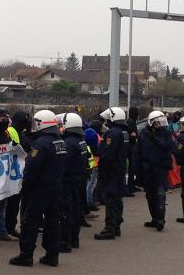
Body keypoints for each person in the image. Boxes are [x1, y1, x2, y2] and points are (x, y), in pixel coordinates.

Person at [9, 110, 67, 267]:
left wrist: (26, 185)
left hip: (39, 188)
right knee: (53, 221)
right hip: (56, 186)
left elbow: (32, 167)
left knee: (30, 221)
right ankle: (52, 255)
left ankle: (26, 255)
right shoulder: (60, 141)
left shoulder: (41, 143)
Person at [135, 111, 176, 231]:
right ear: (151, 123)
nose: (160, 124)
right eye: (157, 122)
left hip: (161, 167)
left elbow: (169, 146)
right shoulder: (143, 134)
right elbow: (137, 151)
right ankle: (154, 218)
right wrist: (137, 168)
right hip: (147, 168)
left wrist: (155, 139)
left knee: (160, 193)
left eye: (161, 122)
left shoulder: (166, 132)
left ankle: (160, 219)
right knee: (150, 195)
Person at [94, 107, 130, 240]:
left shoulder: (113, 133)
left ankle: (109, 228)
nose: (106, 121)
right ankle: (116, 225)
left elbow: (107, 154)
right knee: (117, 199)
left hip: (111, 171)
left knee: (110, 199)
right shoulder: (124, 132)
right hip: (119, 170)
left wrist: (103, 167)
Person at [57, 113, 88, 250]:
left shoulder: (68, 142)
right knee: (76, 208)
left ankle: (65, 241)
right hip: (77, 178)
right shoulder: (80, 140)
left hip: (67, 180)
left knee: (66, 210)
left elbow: (64, 163)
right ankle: (74, 238)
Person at [0, 108, 18, 244]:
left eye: (6, 119)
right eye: (2, 119)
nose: (4, 122)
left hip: (4, 174)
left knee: (2, 203)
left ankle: (1, 231)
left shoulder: (6, 133)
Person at [3, 110, 30, 239]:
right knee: (10, 202)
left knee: (15, 202)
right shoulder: (10, 131)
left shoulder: (20, 132)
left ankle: (10, 226)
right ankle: (6, 228)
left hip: (17, 172)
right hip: (10, 172)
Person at [125, 106, 140, 195]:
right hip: (130, 147)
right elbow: (133, 134)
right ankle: (130, 187)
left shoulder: (130, 121)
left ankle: (131, 186)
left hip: (130, 147)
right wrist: (134, 135)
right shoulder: (131, 122)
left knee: (131, 168)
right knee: (131, 168)